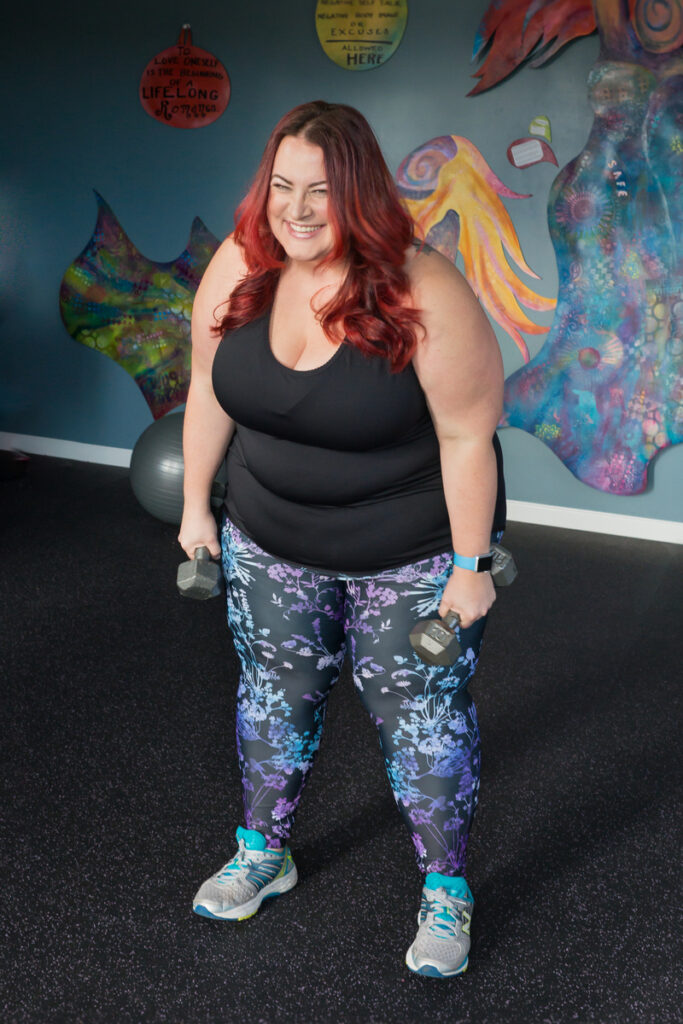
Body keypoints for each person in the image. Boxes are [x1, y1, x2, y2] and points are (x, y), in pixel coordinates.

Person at [178, 100, 506, 979]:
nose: (297, 209)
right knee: (272, 697)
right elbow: (207, 385)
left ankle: (446, 891)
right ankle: (263, 853)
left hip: (408, 554)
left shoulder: (418, 286)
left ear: (358, 193)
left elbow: (468, 434)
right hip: (267, 537)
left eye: (320, 191)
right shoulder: (242, 264)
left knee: (420, 722)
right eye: (283, 186)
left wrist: (471, 567)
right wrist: (195, 508)